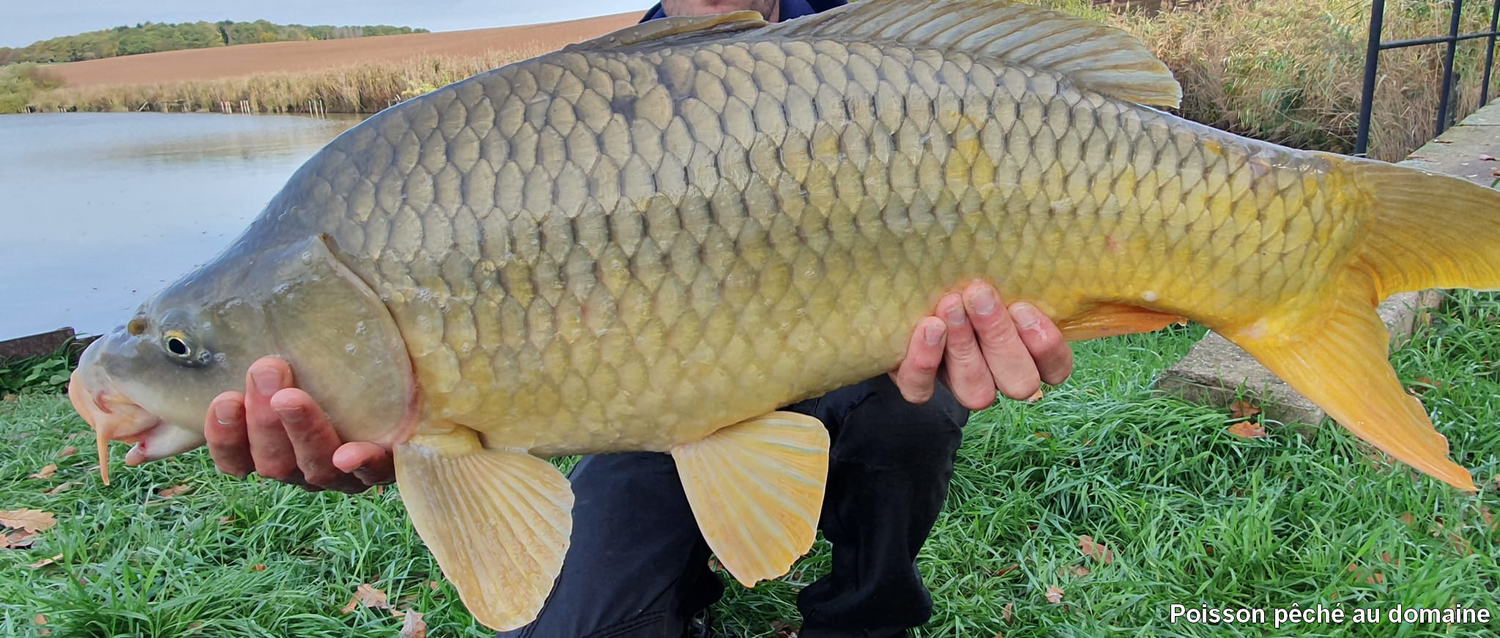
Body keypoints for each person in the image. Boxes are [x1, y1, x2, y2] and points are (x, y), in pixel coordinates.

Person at [201, 2, 1075, 635]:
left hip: (877, 380)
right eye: (184, 347)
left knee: (911, 418)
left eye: (184, 346)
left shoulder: (873, 51)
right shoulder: (583, 98)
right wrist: (393, 420)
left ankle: (864, 617)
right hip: (657, 426)